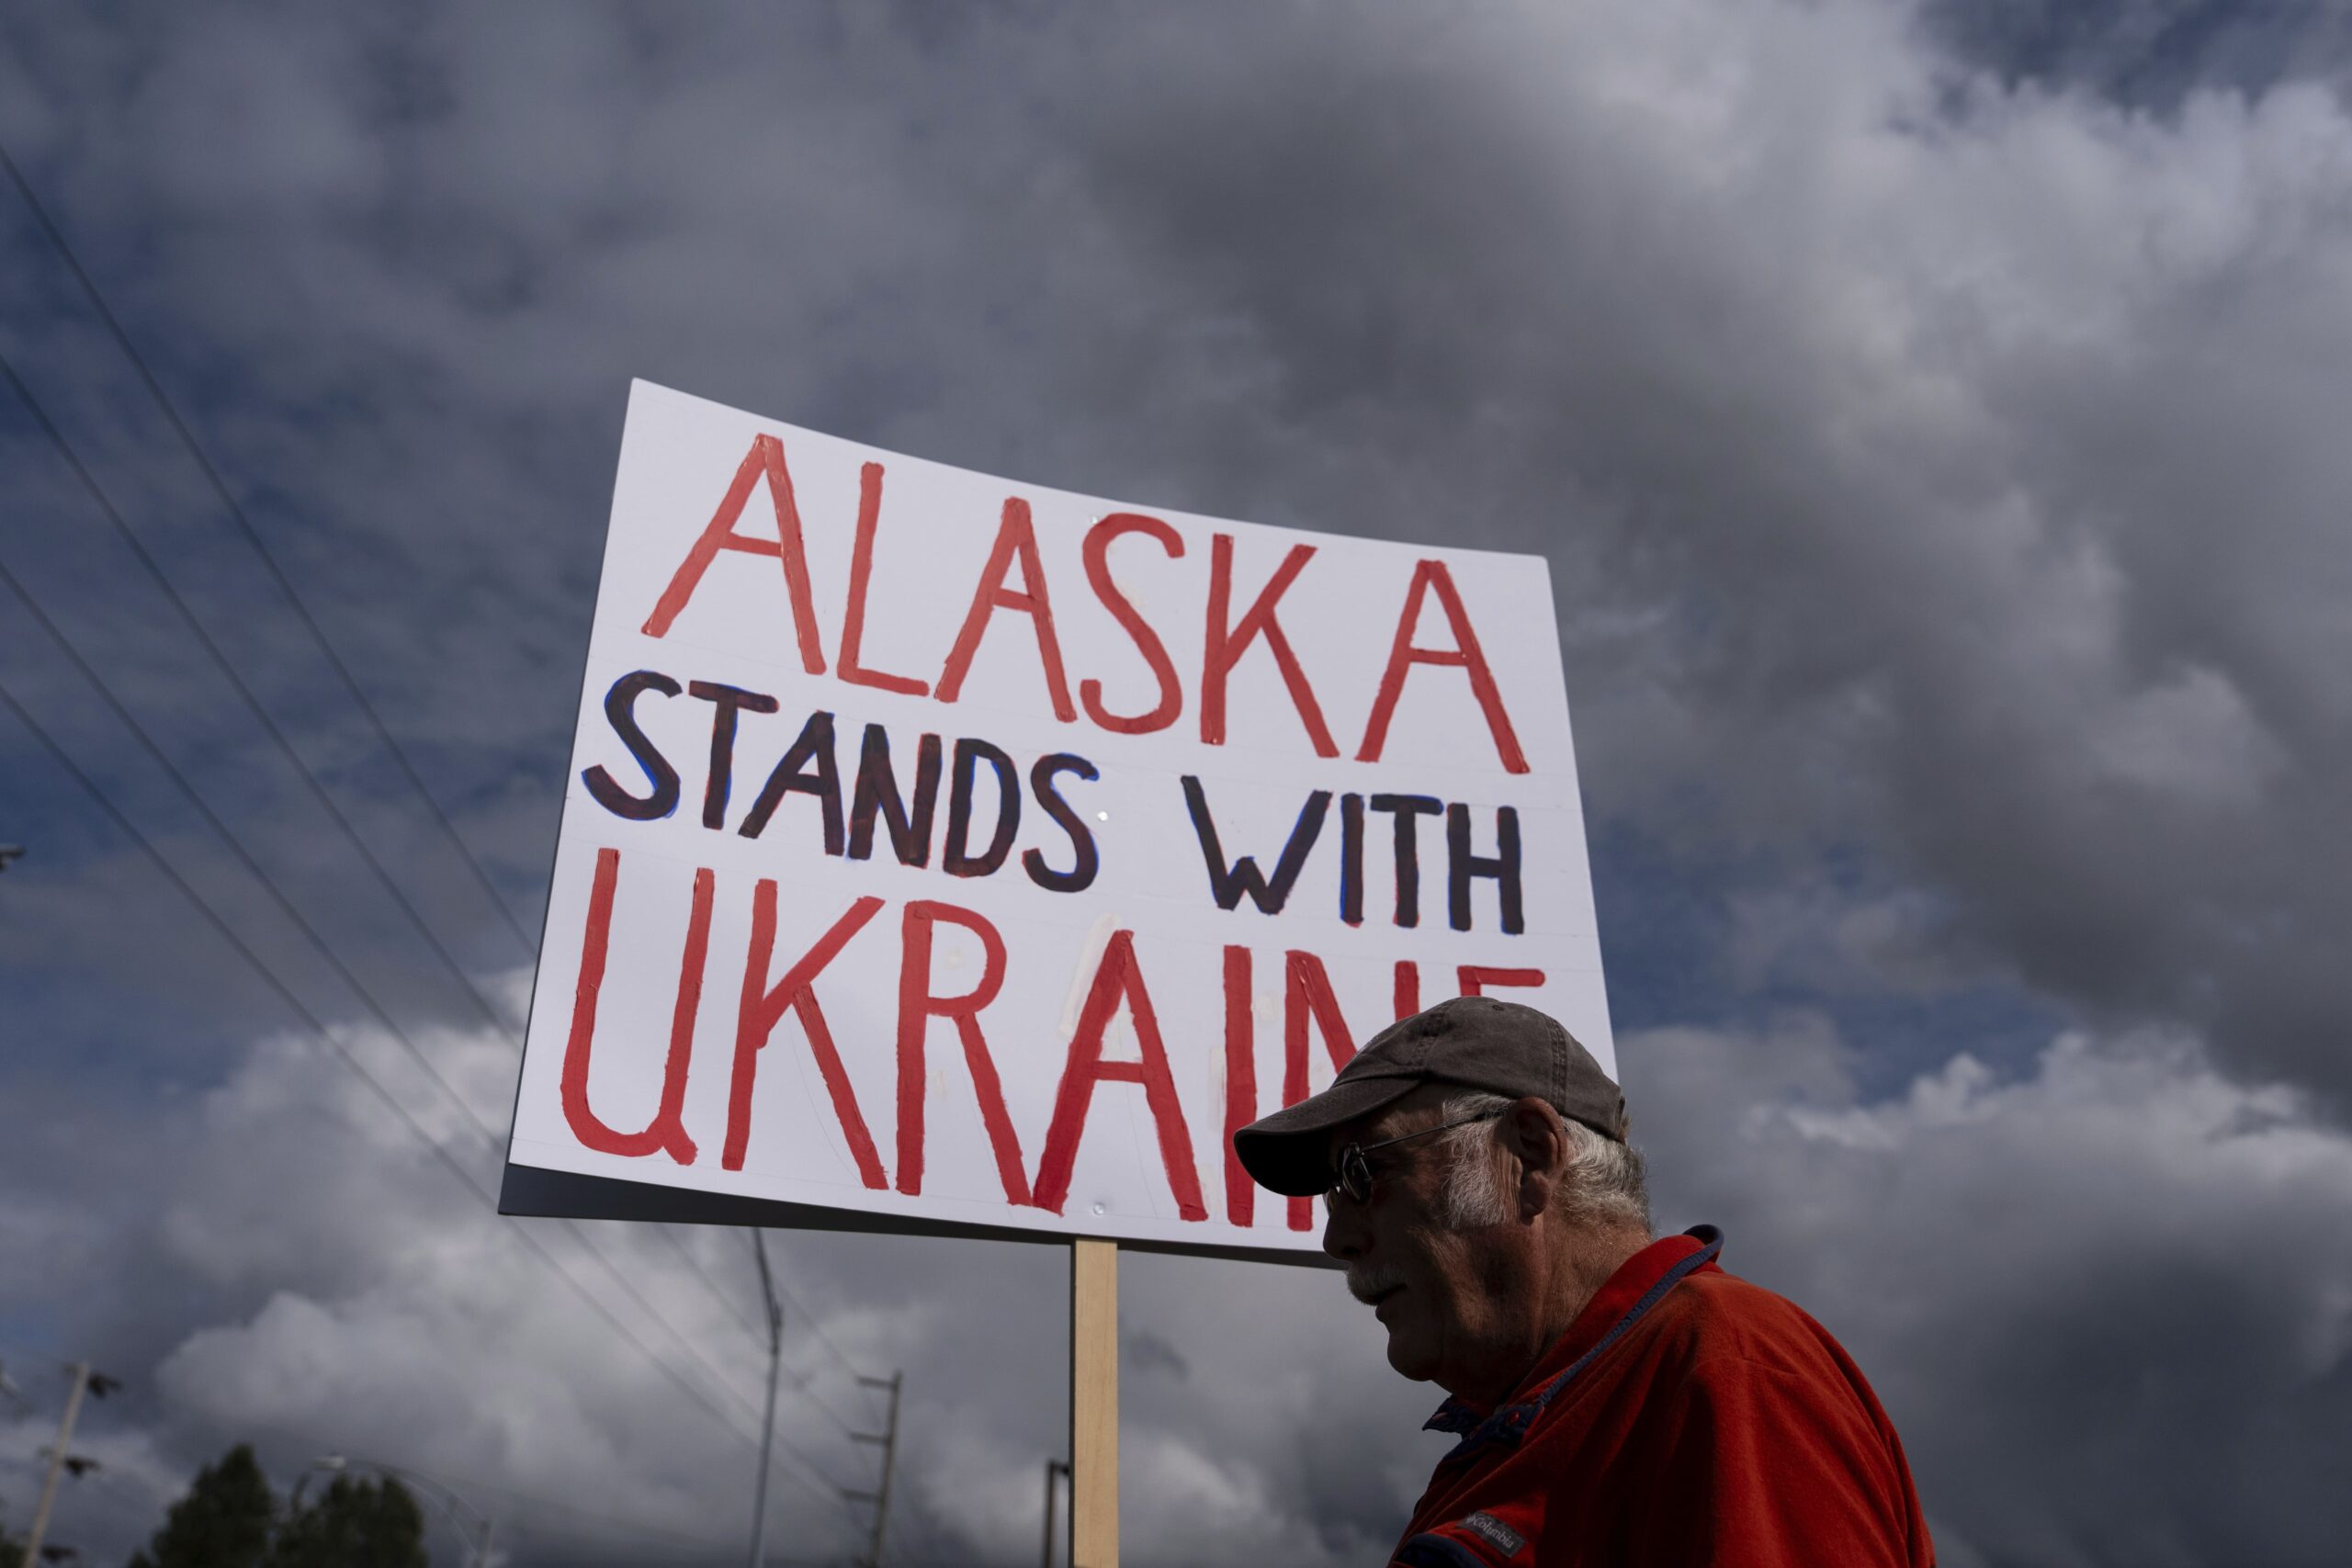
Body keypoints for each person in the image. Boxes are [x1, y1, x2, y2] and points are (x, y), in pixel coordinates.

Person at [1233, 996, 1934, 1567]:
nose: (1338, 1237)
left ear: (1530, 1157)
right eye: (1331, 1193)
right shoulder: (1525, 1430)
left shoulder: (1722, 1364)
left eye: (1363, 1172)